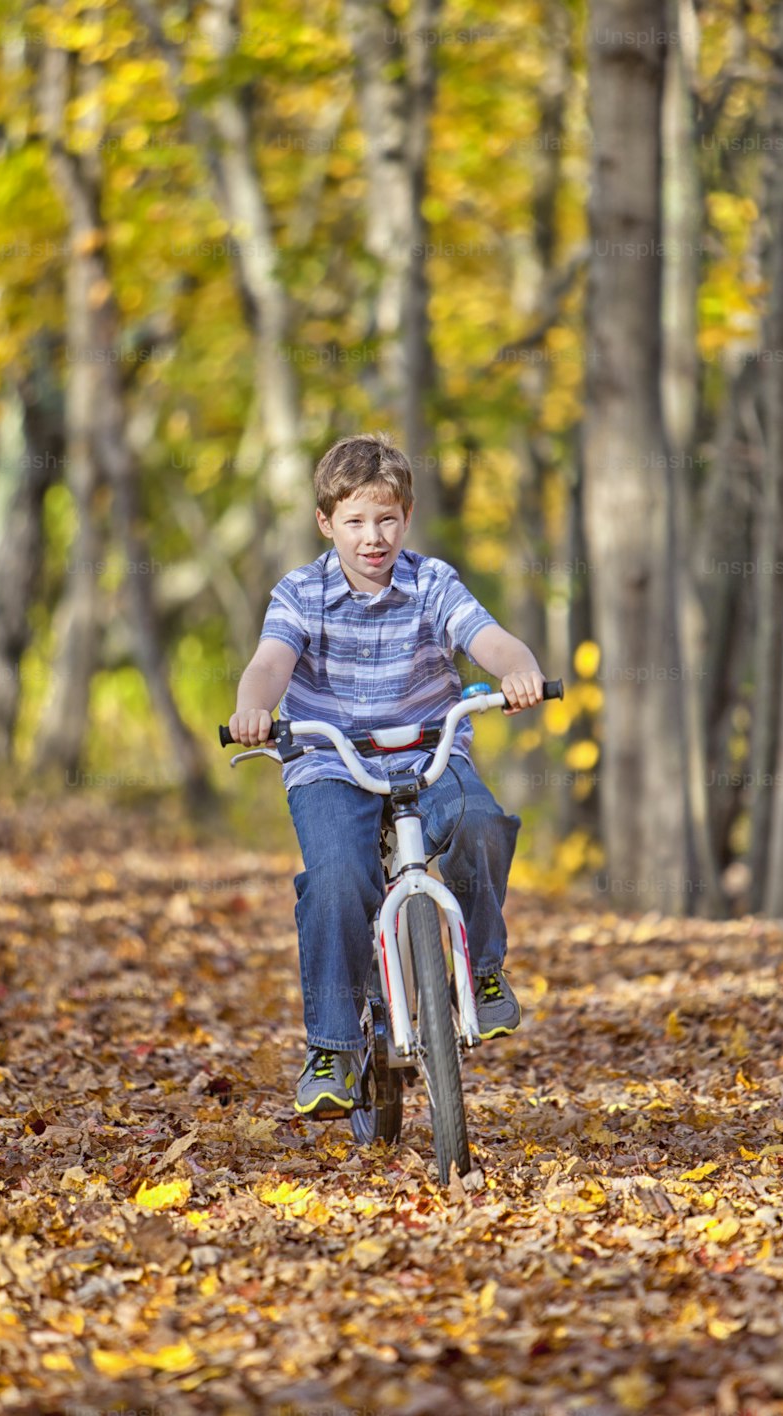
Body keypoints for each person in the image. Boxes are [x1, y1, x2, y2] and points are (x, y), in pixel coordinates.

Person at [229, 433, 546, 1118]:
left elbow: (486, 636)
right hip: (330, 762)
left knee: (481, 823)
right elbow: (270, 663)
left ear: (406, 516)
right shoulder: (301, 592)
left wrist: (515, 668)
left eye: (386, 519)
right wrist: (252, 708)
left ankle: (482, 974)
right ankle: (335, 1046)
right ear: (326, 523)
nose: (373, 537)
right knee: (339, 878)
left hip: (428, 752)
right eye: (355, 521)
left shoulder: (432, 582)